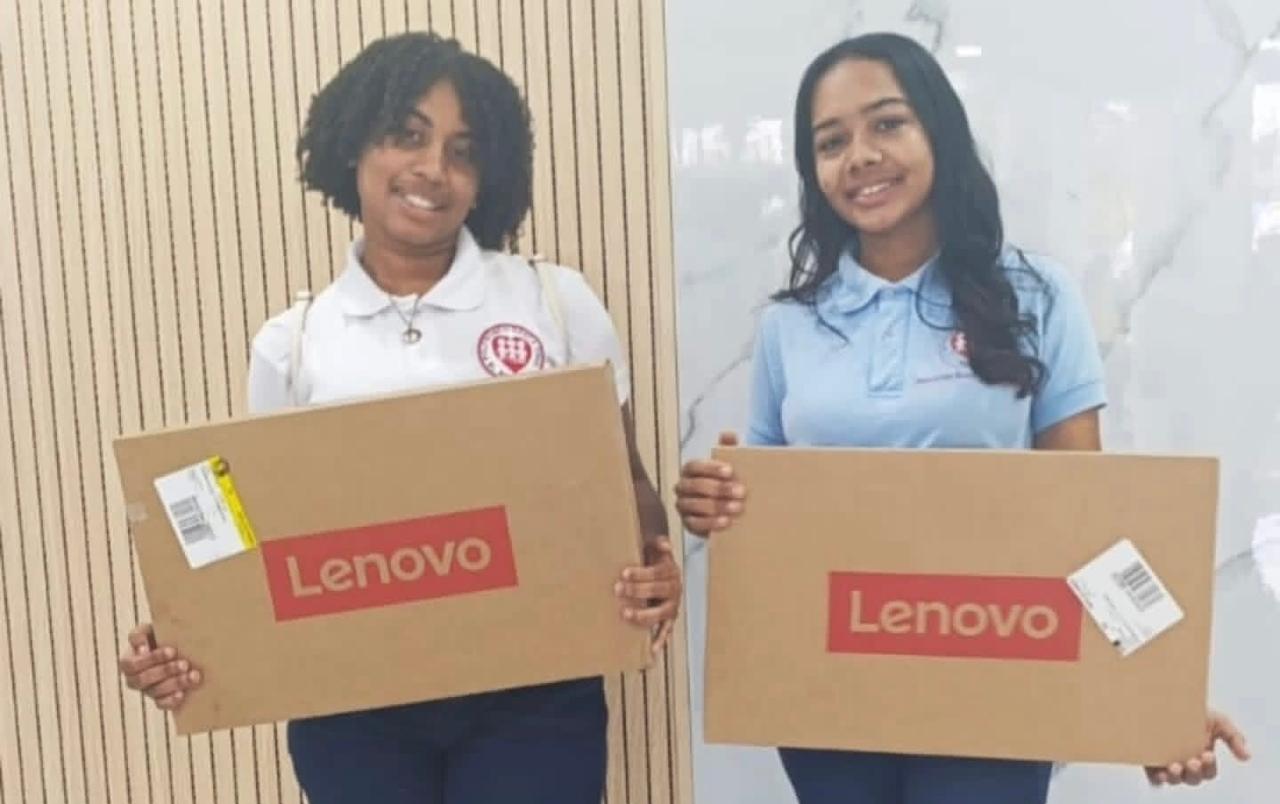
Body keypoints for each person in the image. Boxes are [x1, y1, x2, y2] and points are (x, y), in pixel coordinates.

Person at [674, 32, 1249, 804]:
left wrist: (1155, 696)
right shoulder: (790, 326)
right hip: (829, 693)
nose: (861, 156)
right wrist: (715, 501)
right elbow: (767, 523)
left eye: (887, 124)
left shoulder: (1035, 297)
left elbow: (1087, 515)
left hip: (995, 684)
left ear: (938, 133)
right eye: (831, 142)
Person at [118, 31, 681, 804]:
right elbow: (248, 548)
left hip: (534, 699)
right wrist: (184, 634)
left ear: (486, 177)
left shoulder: (555, 302)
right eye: (407, 136)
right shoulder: (294, 343)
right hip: (353, 711)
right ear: (354, 146)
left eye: (462, 151)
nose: (433, 169)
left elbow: (629, 485)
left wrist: (654, 561)